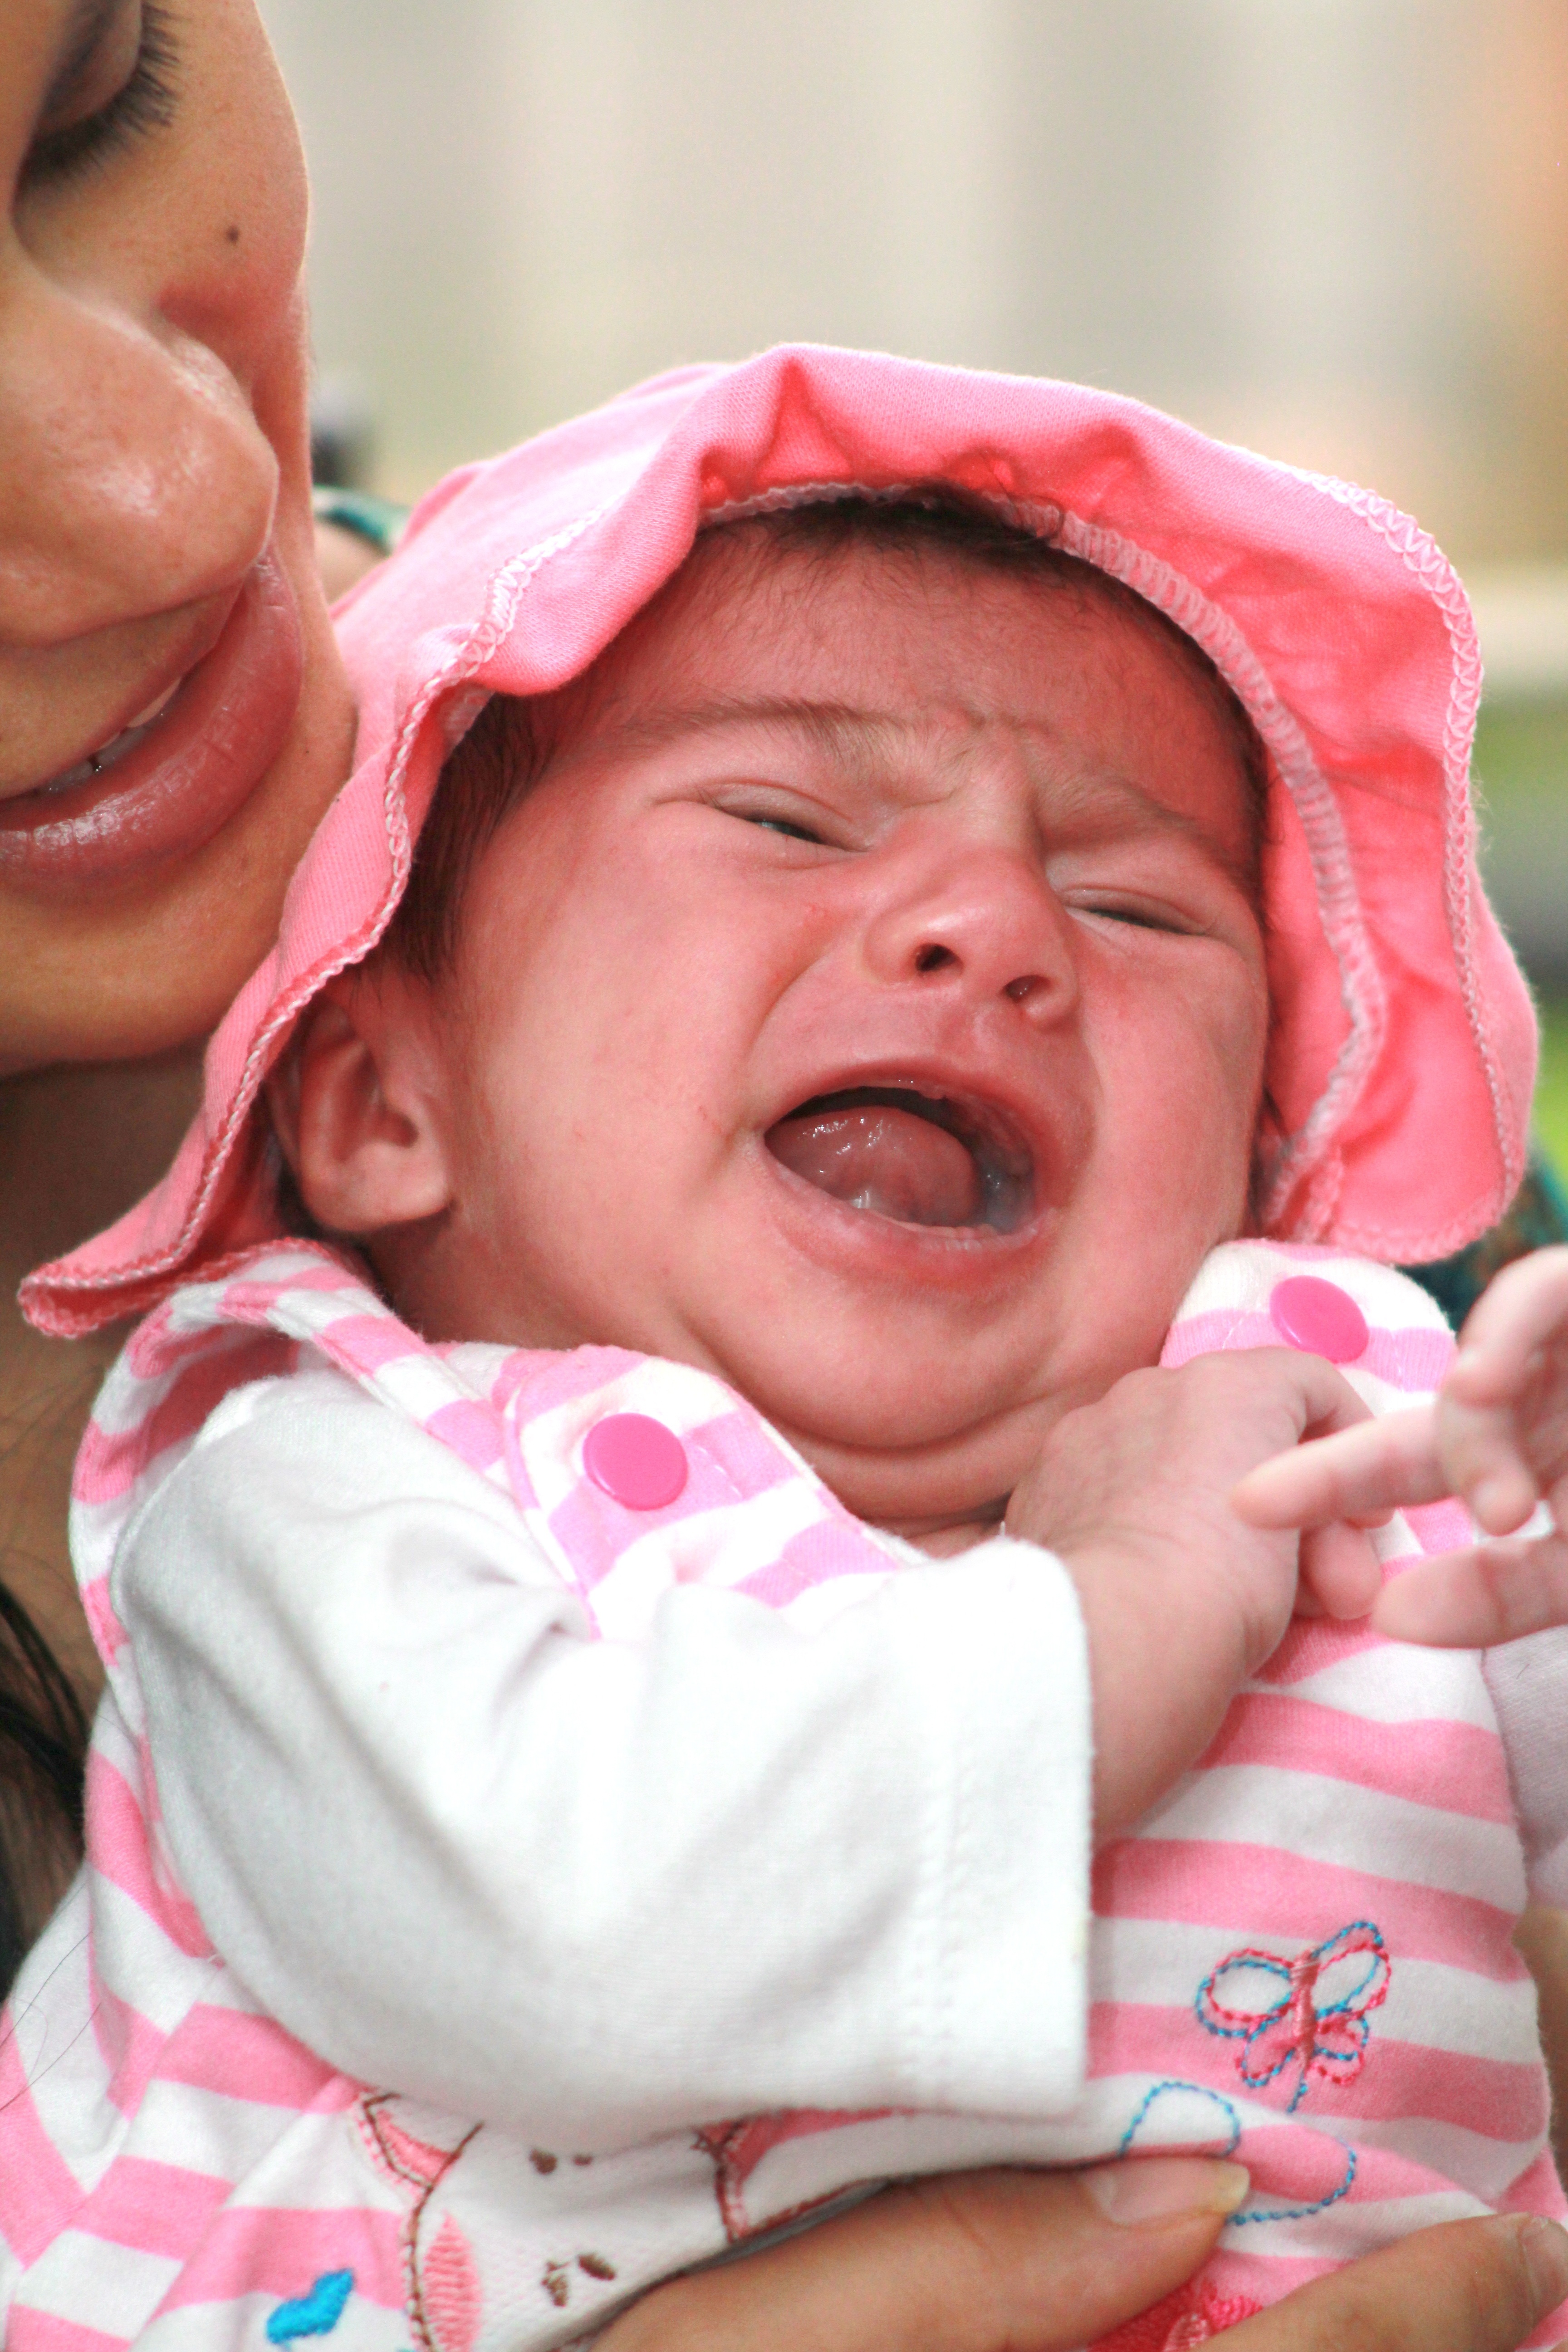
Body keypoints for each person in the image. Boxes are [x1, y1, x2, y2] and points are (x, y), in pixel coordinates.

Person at [2, 7, 1565, 2346]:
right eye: (784, 821)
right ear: (373, 1106)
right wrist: (1127, 1600)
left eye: (1141, 912)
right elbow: (570, 1925)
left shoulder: (1316, 1432)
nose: (989, 931)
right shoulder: (338, 1484)